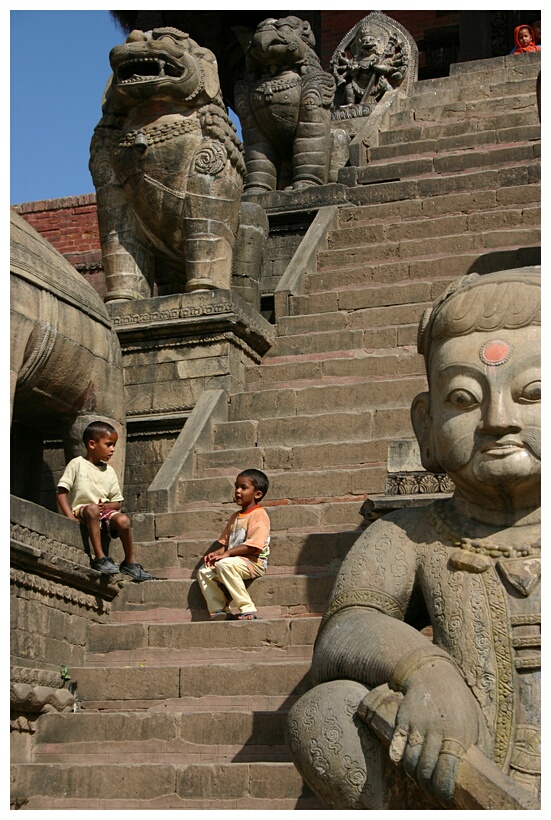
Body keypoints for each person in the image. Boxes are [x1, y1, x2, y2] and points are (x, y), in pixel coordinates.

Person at [287, 268, 540, 809]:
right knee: (325, 712)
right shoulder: (410, 534)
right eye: (464, 400)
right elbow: (346, 629)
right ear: (425, 426)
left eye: (533, 392)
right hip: (461, 766)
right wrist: (426, 670)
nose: (498, 420)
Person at [57, 420, 153, 581]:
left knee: (123, 520)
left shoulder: (109, 471)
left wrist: (107, 506)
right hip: (82, 510)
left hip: (102, 513)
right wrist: (70, 517)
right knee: (93, 509)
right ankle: (100, 558)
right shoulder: (77, 464)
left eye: (114, 445)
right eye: (108, 444)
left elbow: (117, 503)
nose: (113, 449)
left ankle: (130, 563)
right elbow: (61, 493)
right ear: (92, 444)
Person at [197, 469, 270, 621]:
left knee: (224, 565)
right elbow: (227, 544)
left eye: (243, 488)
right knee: (205, 571)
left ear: (257, 494)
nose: (237, 491)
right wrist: (217, 554)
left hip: (253, 563)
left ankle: (247, 608)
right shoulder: (235, 516)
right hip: (233, 560)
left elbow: (254, 546)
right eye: (236, 487)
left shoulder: (259, 515)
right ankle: (219, 609)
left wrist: (227, 554)